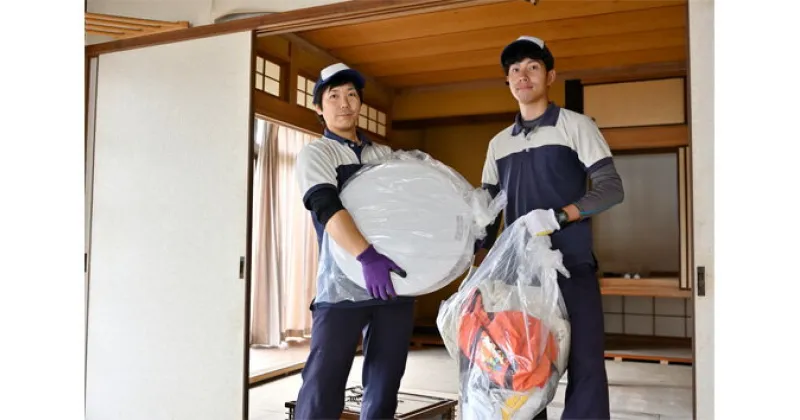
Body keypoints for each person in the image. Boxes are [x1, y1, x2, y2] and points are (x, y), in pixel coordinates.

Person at [476, 36, 625, 420]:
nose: (522, 76)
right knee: (522, 365)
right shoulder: (498, 144)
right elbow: (489, 212)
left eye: (532, 67)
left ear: (550, 75)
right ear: (507, 81)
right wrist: (478, 262)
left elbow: (611, 189)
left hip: (572, 266)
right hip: (521, 277)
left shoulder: (576, 126)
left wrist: (559, 216)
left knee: (586, 363)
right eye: (514, 70)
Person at [293, 62, 415, 420]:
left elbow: (410, 211)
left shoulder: (384, 156)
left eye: (351, 95)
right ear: (319, 106)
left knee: (384, 383)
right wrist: (366, 256)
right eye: (334, 96)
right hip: (342, 284)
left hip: (391, 283)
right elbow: (324, 205)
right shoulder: (317, 154)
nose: (344, 103)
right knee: (322, 384)